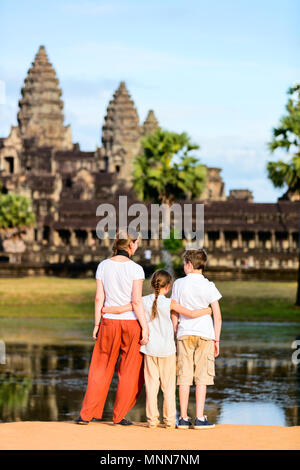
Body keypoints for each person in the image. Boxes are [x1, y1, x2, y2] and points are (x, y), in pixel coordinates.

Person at [104, 269, 212, 429]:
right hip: (167, 351)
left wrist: (105, 310)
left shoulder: (143, 301)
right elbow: (191, 313)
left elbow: (122, 309)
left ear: (152, 284)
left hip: (149, 350)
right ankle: (169, 421)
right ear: (168, 287)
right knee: (168, 388)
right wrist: (208, 310)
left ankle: (152, 420)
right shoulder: (170, 303)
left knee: (151, 387)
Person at [75, 230, 149, 426]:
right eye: (137, 243)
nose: (137, 246)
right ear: (131, 244)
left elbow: (99, 298)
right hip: (131, 323)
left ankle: (86, 415)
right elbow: (136, 301)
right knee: (129, 370)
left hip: (108, 322)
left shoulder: (103, 266)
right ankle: (119, 416)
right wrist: (146, 327)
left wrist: (96, 323)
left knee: (100, 368)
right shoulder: (136, 269)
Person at [171, 249, 222, 430]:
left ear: (190, 265)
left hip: (185, 333)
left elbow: (174, 312)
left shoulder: (178, 284)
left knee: (184, 376)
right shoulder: (209, 285)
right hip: (205, 334)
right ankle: (200, 417)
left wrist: (175, 332)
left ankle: (183, 417)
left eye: (185, 264)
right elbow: (217, 316)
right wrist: (217, 340)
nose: (184, 267)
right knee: (202, 377)